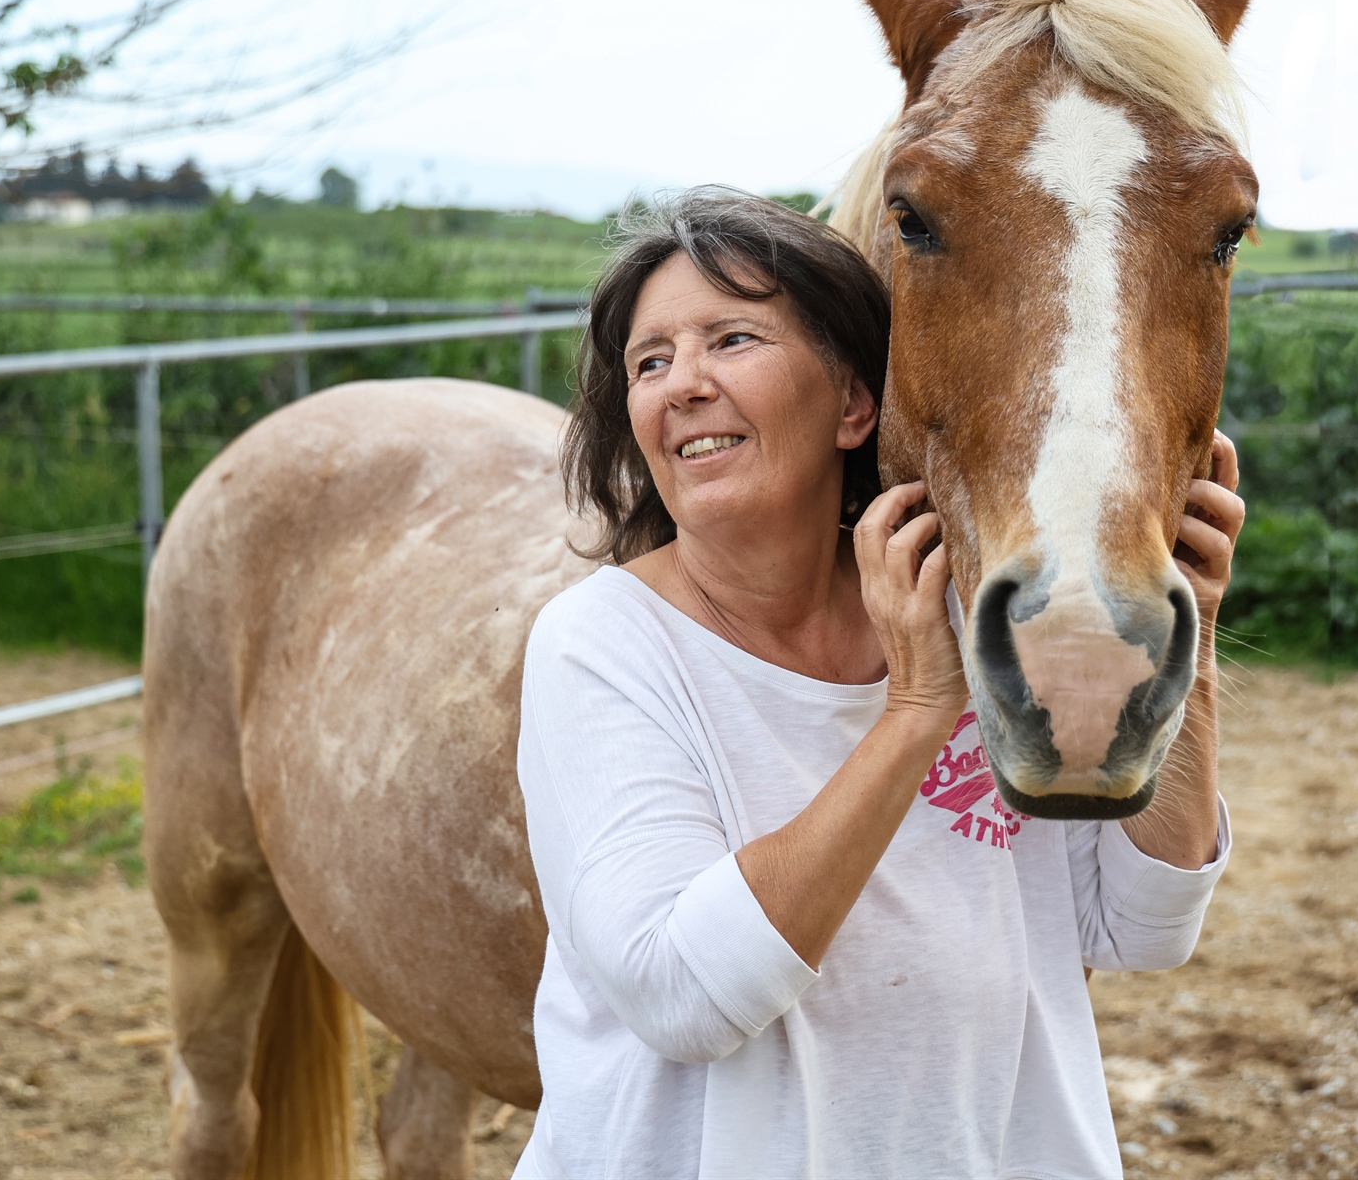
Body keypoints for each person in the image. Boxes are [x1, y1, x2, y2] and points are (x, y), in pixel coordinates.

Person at [514, 188, 1244, 1179]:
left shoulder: (968, 609)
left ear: (855, 403)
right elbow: (680, 994)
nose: (679, 383)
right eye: (650, 361)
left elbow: (1142, 927)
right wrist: (912, 716)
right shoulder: (599, 645)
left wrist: (1187, 641)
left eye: (729, 340)